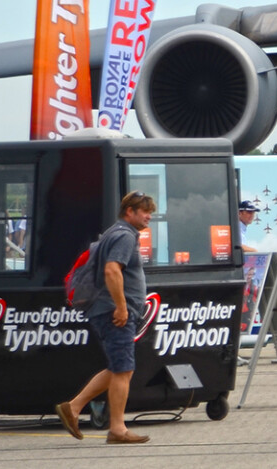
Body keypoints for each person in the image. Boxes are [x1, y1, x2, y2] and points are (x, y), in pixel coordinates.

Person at [56, 191, 156, 445]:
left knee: (118, 367)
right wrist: (121, 307)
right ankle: (117, 429)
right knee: (124, 370)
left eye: (150, 212)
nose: (149, 216)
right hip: (114, 312)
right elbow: (112, 271)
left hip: (108, 309)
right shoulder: (123, 236)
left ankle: (73, 407)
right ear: (129, 212)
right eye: (144, 211)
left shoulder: (115, 233)